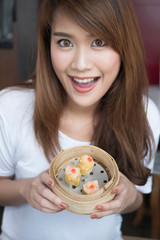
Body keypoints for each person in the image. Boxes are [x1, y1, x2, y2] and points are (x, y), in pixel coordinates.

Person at [0, 0, 160, 239]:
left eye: (99, 42)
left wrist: (128, 196)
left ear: (125, 45)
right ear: (48, 44)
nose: (81, 64)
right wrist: (26, 189)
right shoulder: (11, 106)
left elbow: (136, 199)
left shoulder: (144, 114)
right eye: (65, 42)